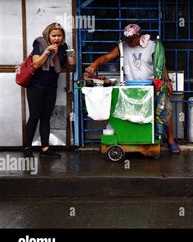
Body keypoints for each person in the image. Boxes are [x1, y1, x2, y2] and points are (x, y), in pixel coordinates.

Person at [85, 24, 180, 154]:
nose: (128, 42)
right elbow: (107, 57)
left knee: (164, 109)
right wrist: (94, 64)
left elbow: (161, 65)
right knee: (135, 115)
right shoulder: (122, 46)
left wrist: (167, 81)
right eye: (126, 39)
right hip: (131, 87)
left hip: (152, 86)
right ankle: (138, 139)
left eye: (131, 39)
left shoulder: (152, 46)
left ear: (138, 36)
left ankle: (170, 140)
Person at [24, 23, 76, 158]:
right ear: (48, 35)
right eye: (54, 36)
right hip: (35, 87)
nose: (57, 38)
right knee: (34, 116)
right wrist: (47, 52)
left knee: (46, 117)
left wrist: (71, 56)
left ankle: (45, 149)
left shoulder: (63, 47)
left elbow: (70, 64)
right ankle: (27, 148)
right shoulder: (40, 43)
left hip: (51, 87)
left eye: (59, 35)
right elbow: (35, 64)